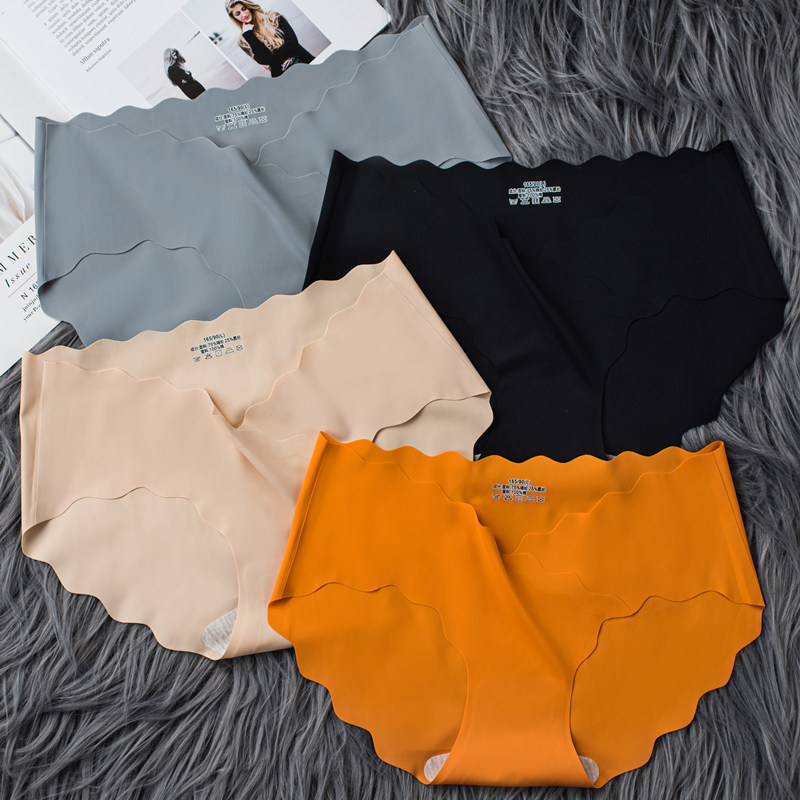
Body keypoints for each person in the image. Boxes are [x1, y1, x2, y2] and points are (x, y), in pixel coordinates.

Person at [225, 1, 314, 77]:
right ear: (234, 18)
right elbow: (265, 60)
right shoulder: (243, 40)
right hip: (282, 76)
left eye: (244, 8)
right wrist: (249, 35)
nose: (244, 14)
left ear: (249, 6)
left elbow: (293, 44)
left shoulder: (274, 17)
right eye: (238, 14)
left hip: (303, 60)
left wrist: (273, 59)